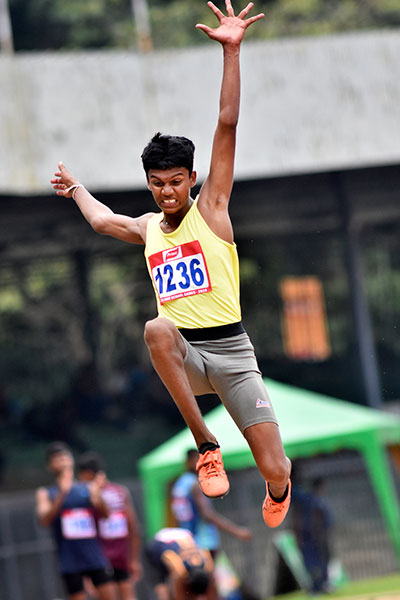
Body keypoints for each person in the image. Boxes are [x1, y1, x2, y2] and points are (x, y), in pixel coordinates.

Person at [51, 0, 291, 528]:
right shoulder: (147, 228)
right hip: (186, 354)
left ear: (191, 179)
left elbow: (227, 123)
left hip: (232, 353)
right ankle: (205, 444)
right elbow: (103, 221)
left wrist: (232, 52)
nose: (166, 192)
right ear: (149, 183)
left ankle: (279, 486)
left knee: (274, 465)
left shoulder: (213, 210)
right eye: (157, 184)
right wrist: (78, 189)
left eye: (176, 182)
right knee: (156, 327)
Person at [35, 442, 117, 600]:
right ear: (50, 466)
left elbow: (106, 515)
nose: (62, 461)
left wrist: (97, 496)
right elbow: (44, 520)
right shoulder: (46, 493)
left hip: (94, 556)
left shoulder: (87, 488)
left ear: (71, 460)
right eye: (57, 458)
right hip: (69, 560)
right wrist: (62, 493)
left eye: (65, 457)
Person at [76, 451, 142, 600]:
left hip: (100, 557)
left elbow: (86, 532)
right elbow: (133, 528)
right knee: (128, 595)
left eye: (80, 475)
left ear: (88, 474)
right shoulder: (120, 491)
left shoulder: (87, 495)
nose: (79, 480)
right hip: (122, 554)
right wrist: (134, 559)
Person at [171, 449, 252, 556]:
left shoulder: (180, 484)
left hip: (187, 542)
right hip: (204, 542)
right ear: (189, 462)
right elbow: (207, 515)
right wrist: (237, 531)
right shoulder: (195, 485)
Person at [145, 527, 217, 600]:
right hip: (159, 543)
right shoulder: (178, 568)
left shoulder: (208, 565)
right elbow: (178, 593)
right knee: (162, 588)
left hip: (183, 535)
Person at [292, 477, 333, 594]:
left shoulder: (316, 500)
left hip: (318, 536)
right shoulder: (310, 500)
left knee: (320, 561)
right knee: (313, 562)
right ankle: (317, 586)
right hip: (312, 537)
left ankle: (322, 584)